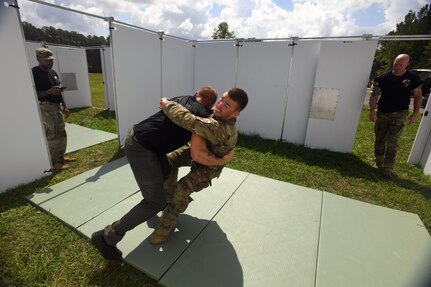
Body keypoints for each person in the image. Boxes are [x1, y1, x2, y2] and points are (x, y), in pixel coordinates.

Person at [91, 87, 226, 260]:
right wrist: (222, 159)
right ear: (211, 105)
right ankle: (107, 237)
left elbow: (168, 104)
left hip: (144, 142)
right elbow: (201, 133)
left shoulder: (180, 99)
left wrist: (167, 102)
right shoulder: (202, 116)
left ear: (196, 95)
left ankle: (158, 201)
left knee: (165, 167)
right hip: (143, 149)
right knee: (154, 202)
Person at [149, 87, 249, 244]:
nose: (220, 104)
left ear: (236, 114)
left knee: (182, 188)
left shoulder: (219, 127)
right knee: (168, 160)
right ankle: (171, 198)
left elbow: (189, 120)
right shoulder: (216, 115)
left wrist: (167, 104)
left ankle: (166, 225)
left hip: (208, 167)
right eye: (222, 99)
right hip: (198, 150)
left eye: (227, 105)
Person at [369, 53, 422, 178]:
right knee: (380, 138)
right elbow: (374, 95)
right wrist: (372, 111)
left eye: (401, 65)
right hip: (382, 112)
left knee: (393, 141)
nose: (397, 67)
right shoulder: (382, 78)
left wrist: (415, 114)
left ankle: (388, 168)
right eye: (396, 64)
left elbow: (418, 96)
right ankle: (379, 161)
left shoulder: (413, 78)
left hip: (400, 113)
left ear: (407, 65)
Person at [32, 47, 74, 170]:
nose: (50, 63)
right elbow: (34, 94)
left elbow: (59, 91)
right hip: (45, 107)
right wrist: (49, 92)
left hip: (57, 107)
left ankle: (60, 157)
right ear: (38, 59)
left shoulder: (53, 72)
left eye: (51, 60)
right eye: (46, 60)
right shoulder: (34, 73)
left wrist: (64, 107)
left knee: (61, 132)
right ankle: (54, 163)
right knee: (52, 135)